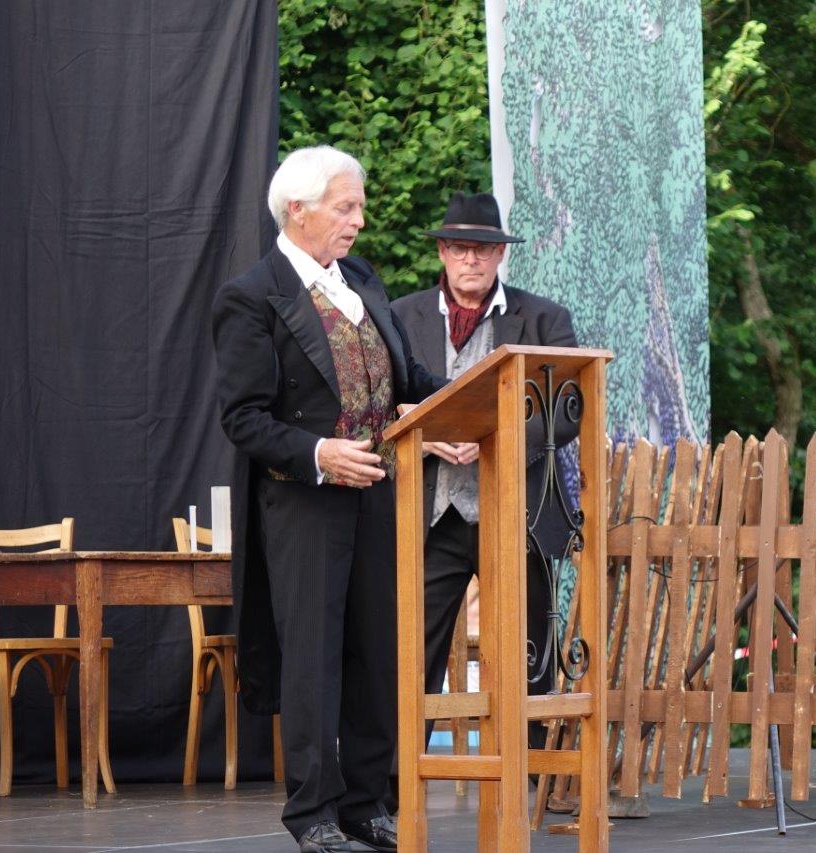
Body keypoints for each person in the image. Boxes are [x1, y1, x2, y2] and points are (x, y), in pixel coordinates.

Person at [212, 146, 445, 853]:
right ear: (298, 210)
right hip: (304, 502)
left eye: (359, 205)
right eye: (346, 207)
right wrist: (318, 452)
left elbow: (407, 375)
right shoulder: (253, 296)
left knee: (378, 650)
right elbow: (243, 416)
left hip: (378, 494)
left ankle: (368, 801)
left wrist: (451, 417)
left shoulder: (362, 281)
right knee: (312, 655)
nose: (359, 221)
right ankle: (313, 811)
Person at [389, 191, 579, 746]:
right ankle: (398, 777)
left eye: (482, 249)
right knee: (413, 646)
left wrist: (496, 436)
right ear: (442, 254)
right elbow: (379, 405)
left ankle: (535, 774)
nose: (469, 260)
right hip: (432, 513)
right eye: (458, 248)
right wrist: (421, 433)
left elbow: (569, 409)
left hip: (518, 511)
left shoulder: (544, 318)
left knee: (529, 647)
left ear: (500, 257)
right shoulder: (402, 318)